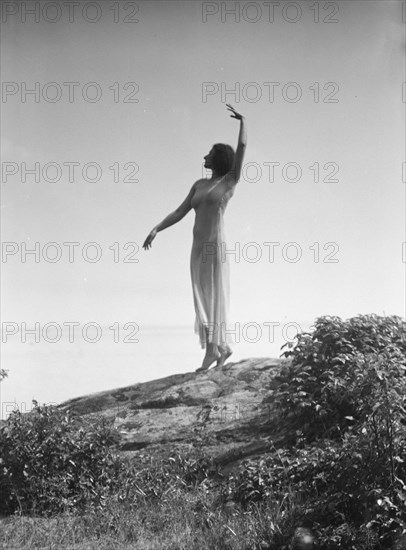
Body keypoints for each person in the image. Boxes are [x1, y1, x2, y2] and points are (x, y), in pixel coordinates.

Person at [143, 104, 247, 371]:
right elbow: (180, 211)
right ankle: (220, 348)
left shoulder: (229, 181)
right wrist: (157, 228)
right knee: (200, 296)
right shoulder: (199, 185)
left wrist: (242, 123)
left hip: (215, 246)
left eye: (210, 153)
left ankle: (214, 351)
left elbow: (242, 150)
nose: (205, 156)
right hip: (197, 248)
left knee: (213, 296)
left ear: (220, 158)